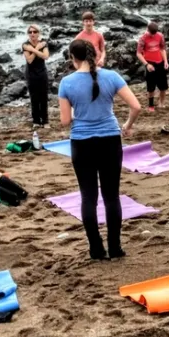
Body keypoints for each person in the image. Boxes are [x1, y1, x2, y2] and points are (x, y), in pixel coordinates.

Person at [58, 39, 141, 260]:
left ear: (73, 59)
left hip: (82, 143)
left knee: (88, 197)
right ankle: (115, 248)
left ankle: (96, 249)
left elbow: (65, 120)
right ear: (95, 54)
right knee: (111, 196)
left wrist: (81, 113)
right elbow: (136, 106)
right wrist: (127, 126)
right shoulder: (111, 76)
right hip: (110, 140)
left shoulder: (66, 83)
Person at [137, 22, 169, 112]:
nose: (153, 35)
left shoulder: (160, 36)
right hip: (150, 63)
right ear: (147, 30)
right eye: (151, 33)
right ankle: (151, 105)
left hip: (160, 62)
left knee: (163, 86)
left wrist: (165, 61)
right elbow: (138, 53)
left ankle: (161, 103)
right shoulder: (143, 38)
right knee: (151, 87)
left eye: (154, 33)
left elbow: (162, 49)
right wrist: (146, 64)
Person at [23, 24, 50, 129]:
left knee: (43, 97)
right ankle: (36, 121)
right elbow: (29, 60)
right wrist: (37, 49)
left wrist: (33, 49)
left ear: (38, 33)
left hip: (42, 73)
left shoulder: (43, 43)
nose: (32, 34)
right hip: (31, 74)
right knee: (34, 98)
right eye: (30, 32)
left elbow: (46, 56)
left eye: (34, 32)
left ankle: (45, 120)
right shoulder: (25, 44)